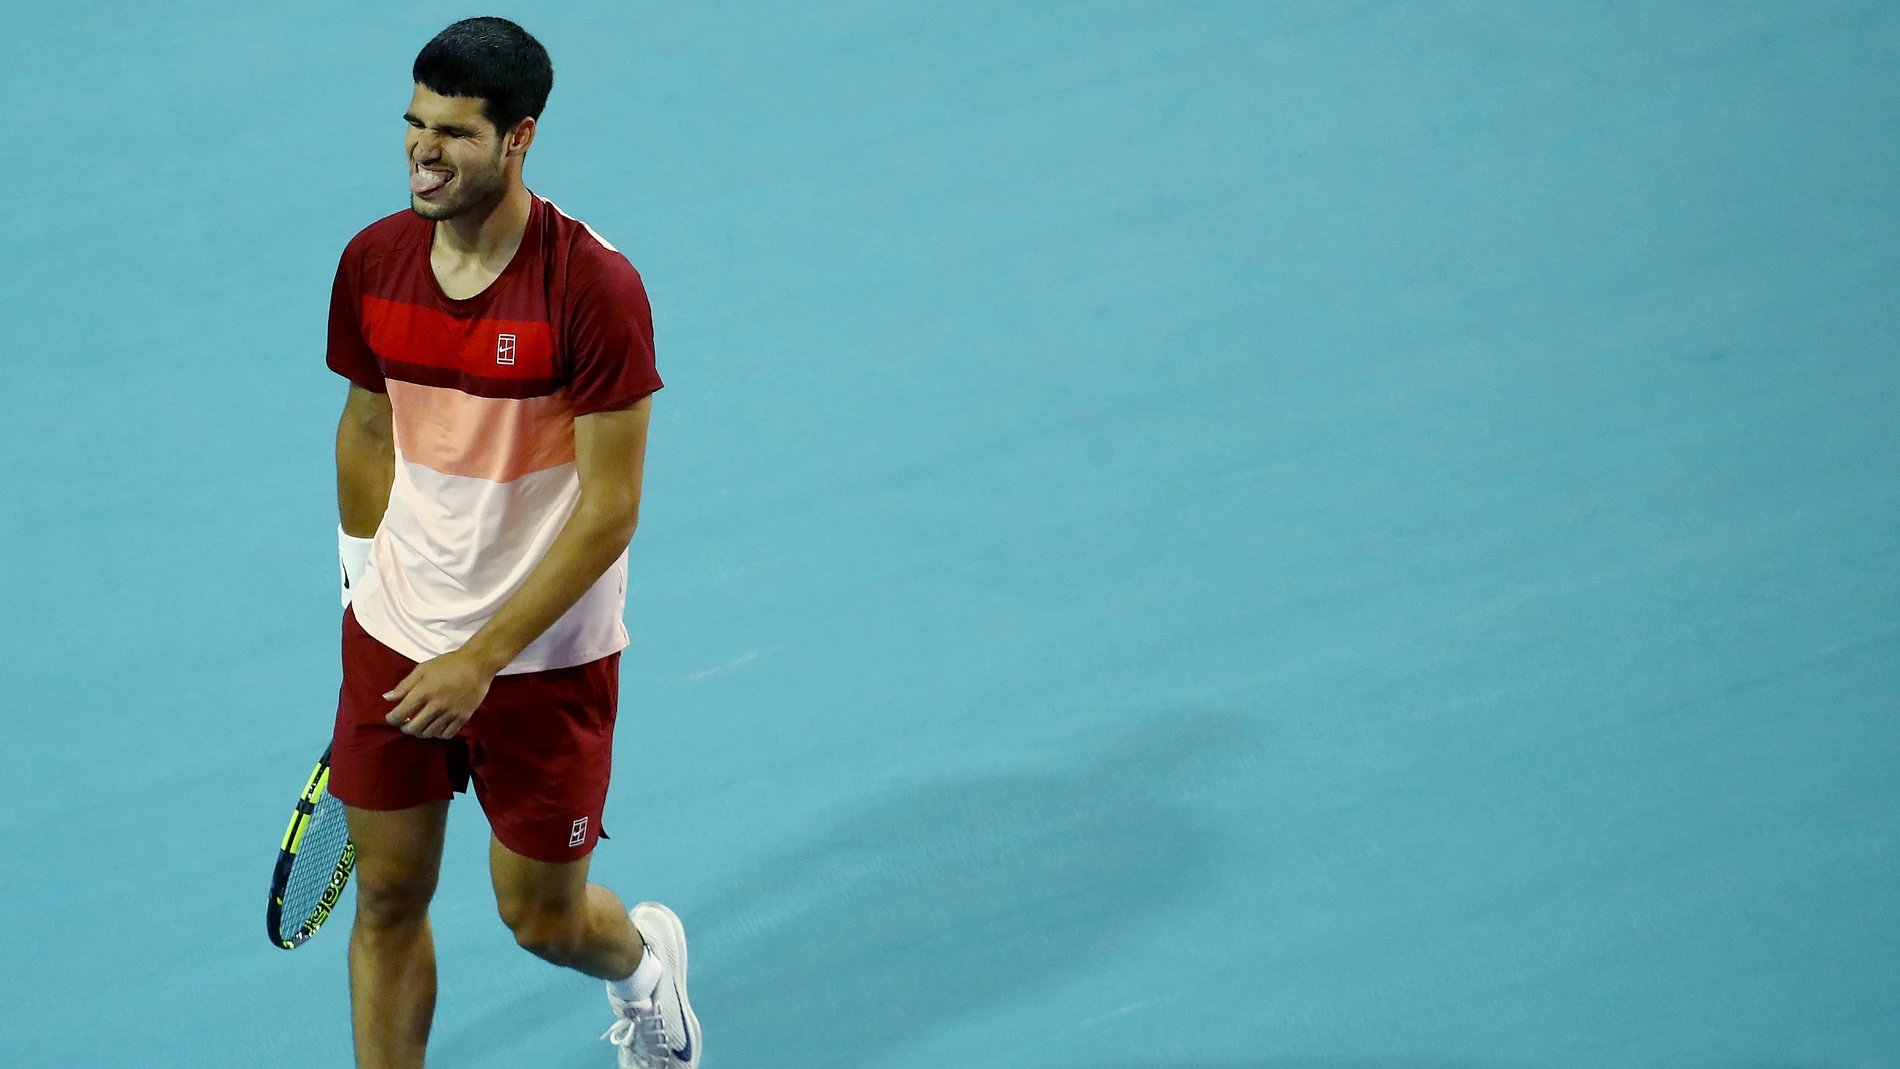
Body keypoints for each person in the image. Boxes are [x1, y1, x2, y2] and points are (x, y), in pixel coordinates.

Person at [323, 17, 699, 1069]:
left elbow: (609, 508)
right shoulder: (373, 260)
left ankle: (643, 971)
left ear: (518, 138)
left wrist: (479, 656)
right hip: (397, 632)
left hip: (539, 657)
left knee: (541, 919)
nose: (422, 152)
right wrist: (364, 582)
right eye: (412, 124)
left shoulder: (593, 288)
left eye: (452, 133)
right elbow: (365, 424)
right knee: (389, 898)